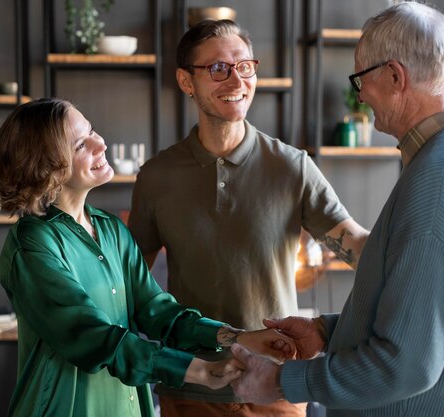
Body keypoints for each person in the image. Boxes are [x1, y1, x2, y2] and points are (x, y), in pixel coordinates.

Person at [230, 2, 444, 417]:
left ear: (396, 76)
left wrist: (281, 381)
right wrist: (326, 332)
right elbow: (423, 315)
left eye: (361, 78)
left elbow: (405, 365)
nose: (360, 94)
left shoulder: (441, 183)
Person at [0, 98, 296, 417]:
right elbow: (93, 336)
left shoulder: (111, 230)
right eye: (81, 144)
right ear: (47, 165)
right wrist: (200, 371)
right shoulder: (32, 244)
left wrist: (239, 337)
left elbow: (156, 311)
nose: (100, 143)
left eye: (92, 131)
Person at [127, 19, 370, 417]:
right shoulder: (157, 177)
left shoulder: (293, 167)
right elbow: (131, 282)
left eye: (244, 66)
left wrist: (412, 257)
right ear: (186, 82)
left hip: (275, 386)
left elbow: (356, 244)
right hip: (191, 387)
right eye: (218, 68)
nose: (236, 80)